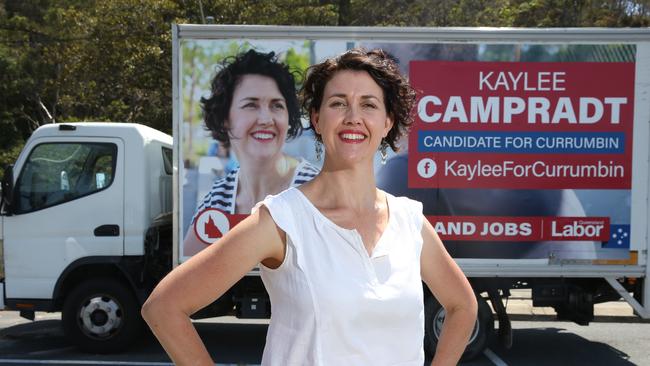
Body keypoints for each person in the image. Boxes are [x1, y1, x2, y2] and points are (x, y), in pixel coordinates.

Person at [143, 48, 477, 365]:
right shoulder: (281, 221)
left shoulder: (409, 222)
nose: (353, 117)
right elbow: (164, 308)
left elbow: (463, 306)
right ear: (316, 119)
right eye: (338, 103)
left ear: (388, 122)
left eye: (369, 105)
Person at [184, 49, 319, 256]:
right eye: (251, 105)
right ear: (225, 118)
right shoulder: (219, 196)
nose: (266, 118)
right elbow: (188, 264)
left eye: (277, 106)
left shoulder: (316, 190)